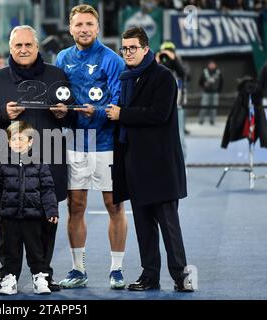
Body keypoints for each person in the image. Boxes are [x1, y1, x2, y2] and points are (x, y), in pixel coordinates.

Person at [0, 25, 73, 293]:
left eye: (28, 44)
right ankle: (7, 274)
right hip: (7, 164)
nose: (23, 49)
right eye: (18, 45)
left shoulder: (57, 75)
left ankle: (44, 274)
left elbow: (73, 113)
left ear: (37, 47)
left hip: (49, 160)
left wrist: (65, 114)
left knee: (47, 220)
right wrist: (2, 114)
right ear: (10, 48)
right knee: (8, 226)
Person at [105, 26, 194, 292]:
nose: (128, 52)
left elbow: (159, 114)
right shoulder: (125, 77)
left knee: (169, 227)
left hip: (161, 166)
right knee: (144, 227)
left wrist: (123, 115)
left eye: (133, 47)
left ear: (146, 49)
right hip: (135, 164)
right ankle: (150, 276)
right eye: (125, 48)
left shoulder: (163, 76)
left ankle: (181, 276)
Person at [55, 4, 128, 289]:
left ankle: (117, 269)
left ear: (97, 28)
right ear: (70, 28)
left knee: (114, 205)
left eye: (89, 24)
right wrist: (60, 111)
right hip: (74, 142)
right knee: (76, 206)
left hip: (106, 143)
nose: (84, 29)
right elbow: (58, 94)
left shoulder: (111, 59)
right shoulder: (62, 57)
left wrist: (95, 112)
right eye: (78, 25)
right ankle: (77, 269)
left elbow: (119, 100)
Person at [0, 121, 59, 295]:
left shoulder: (39, 162)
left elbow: (48, 189)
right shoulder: (2, 163)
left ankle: (40, 276)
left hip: (33, 216)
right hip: (9, 216)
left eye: (22, 139)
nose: (18, 142)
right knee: (10, 249)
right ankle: (9, 278)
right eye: (14, 139)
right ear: (8, 142)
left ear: (31, 142)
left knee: (36, 249)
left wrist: (51, 211)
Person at [155, 40, 188, 159]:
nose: (167, 55)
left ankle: (182, 163)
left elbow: (185, 74)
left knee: (180, 136)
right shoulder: (159, 63)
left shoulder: (178, 63)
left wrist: (174, 60)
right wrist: (157, 59)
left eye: (170, 52)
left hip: (177, 106)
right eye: (165, 52)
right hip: (159, 107)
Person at [198, 60, 223, 125]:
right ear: (208, 65)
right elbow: (200, 82)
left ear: (215, 65)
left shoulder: (218, 72)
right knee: (204, 106)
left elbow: (221, 82)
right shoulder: (205, 72)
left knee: (214, 107)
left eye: (213, 64)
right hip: (206, 92)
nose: (212, 66)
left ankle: (212, 120)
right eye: (210, 64)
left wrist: (219, 91)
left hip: (215, 92)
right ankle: (201, 120)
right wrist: (204, 85)